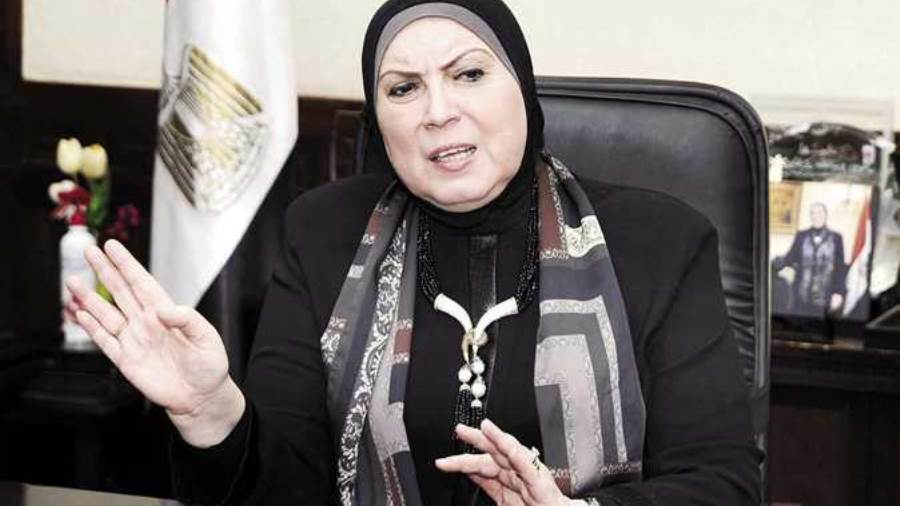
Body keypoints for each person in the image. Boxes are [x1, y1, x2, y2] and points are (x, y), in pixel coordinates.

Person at [65, 0, 763, 504]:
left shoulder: (659, 242)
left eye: (469, 75)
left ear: (520, 88)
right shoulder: (324, 235)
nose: (438, 111)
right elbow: (289, 485)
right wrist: (210, 410)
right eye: (404, 89)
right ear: (381, 121)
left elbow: (723, 482)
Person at [773, 202, 846, 318]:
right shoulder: (801, 236)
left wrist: (838, 293)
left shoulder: (836, 238)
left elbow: (840, 268)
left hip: (825, 297)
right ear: (810, 216)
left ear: (825, 215)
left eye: (819, 213)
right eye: (813, 213)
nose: (816, 216)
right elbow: (790, 258)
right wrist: (774, 263)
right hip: (801, 296)